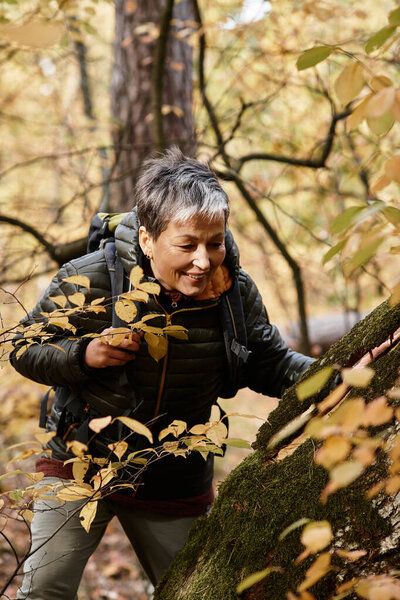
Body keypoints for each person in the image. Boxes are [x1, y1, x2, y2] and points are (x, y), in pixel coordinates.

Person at [10, 147, 314, 599]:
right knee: (44, 588)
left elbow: (269, 364)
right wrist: (82, 355)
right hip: (81, 464)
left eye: (214, 242)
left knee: (195, 594)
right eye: (187, 244)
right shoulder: (90, 278)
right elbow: (24, 347)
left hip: (175, 476)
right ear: (149, 239)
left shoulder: (234, 293)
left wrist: (340, 372)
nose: (204, 260)